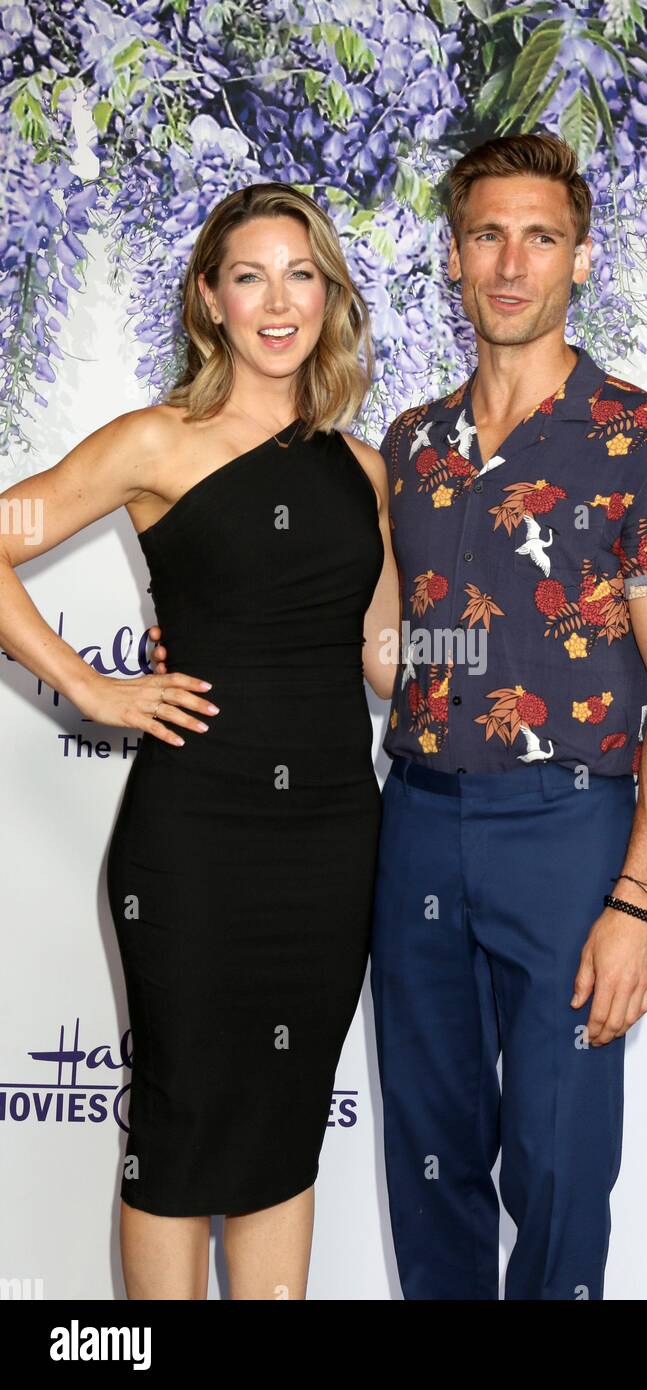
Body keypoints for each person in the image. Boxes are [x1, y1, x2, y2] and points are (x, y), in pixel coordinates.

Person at [0, 181, 399, 1300]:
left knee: (284, 1113)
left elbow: (381, 656)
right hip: (195, 838)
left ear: (328, 293)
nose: (279, 301)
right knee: (180, 1115)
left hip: (328, 837)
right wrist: (89, 685)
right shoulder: (152, 442)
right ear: (208, 301)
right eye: (249, 276)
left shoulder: (361, 468)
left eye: (301, 274)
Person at [369, 132, 647, 1299]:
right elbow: (400, 652)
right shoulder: (411, 445)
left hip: (568, 836)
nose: (510, 263)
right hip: (417, 821)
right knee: (429, 1165)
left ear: (579, 260)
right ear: (454, 255)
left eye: (540, 237)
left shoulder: (646, 439)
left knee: (560, 1163)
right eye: (487, 235)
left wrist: (638, 900)